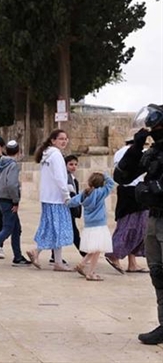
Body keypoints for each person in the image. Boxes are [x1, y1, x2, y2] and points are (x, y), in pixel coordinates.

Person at [114, 103, 163, 345]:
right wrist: (136, 147)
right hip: (154, 218)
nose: (153, 130)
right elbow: (122, 176)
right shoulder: (154, 152)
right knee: (158, 273)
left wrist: (153, 188)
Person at [26, 129, 74, 272]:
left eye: (65, 139)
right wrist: (66, 194)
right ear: (53, 140)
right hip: (57, 198)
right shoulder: (56, 155)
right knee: (57, 229)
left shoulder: (46, 155)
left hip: (48, 197)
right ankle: (38, 251)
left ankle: (56, 260)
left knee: (52, 228)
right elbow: (60, 177)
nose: (64, 141)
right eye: (61, 139)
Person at [105, 135, 148, 274]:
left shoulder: (119, 152)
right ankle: (114, 254)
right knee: (134, 226)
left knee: (130, 225)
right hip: (134, 192)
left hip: (124, 191)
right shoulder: (138, 152)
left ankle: (132, 263)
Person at [69, 173, 115, 281]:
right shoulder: (101, 193)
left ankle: (83, 264)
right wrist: (104, 175)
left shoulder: (84, 193)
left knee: (95, 249)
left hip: (89, 225)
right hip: (99, 225)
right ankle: (90, 272)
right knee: (97, 250)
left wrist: (66, 202)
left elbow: (73, 202)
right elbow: (111, 183)